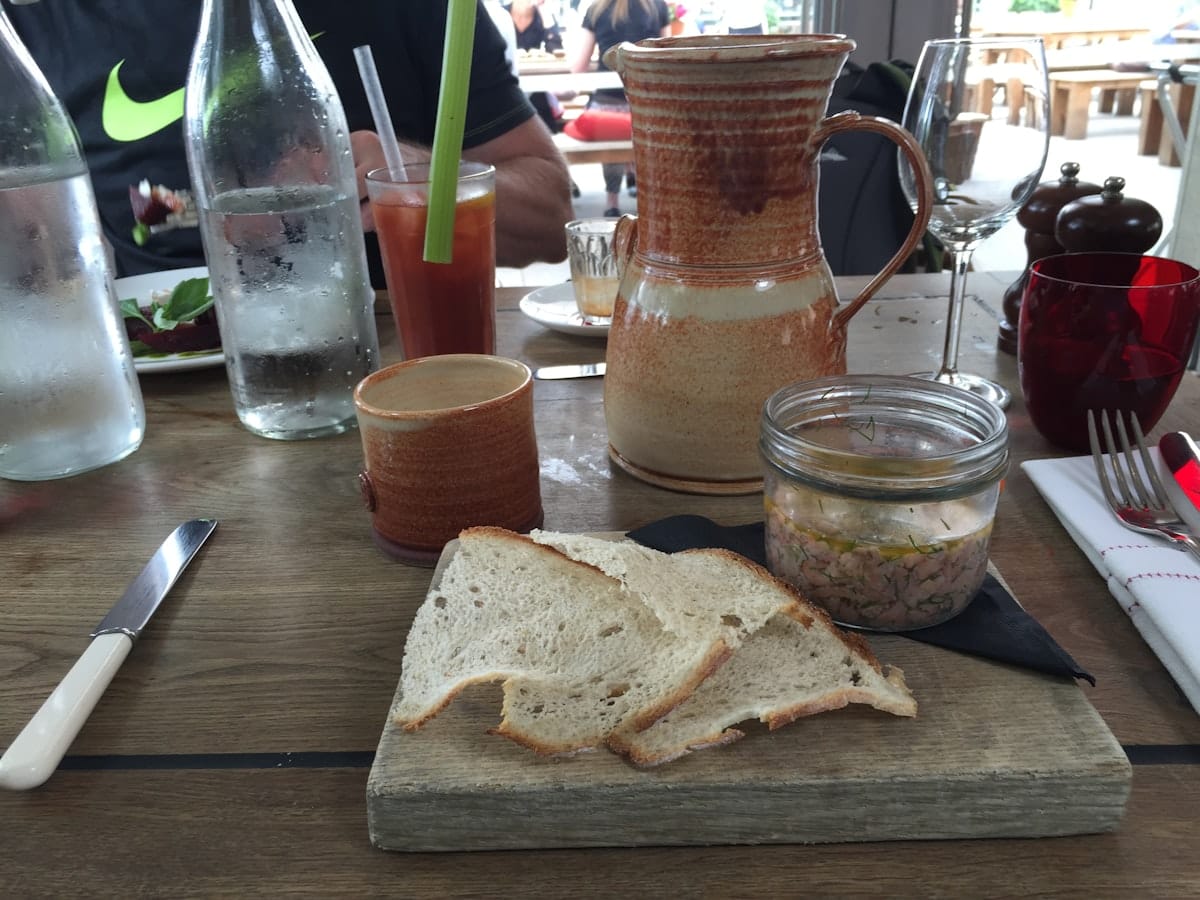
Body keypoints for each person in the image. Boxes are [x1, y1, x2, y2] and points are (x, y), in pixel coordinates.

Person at [3, 0, 573, 286]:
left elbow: (551, 218)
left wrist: (418, 177)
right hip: (151, 389)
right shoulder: (32, 20)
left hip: (398, 358)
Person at [567, 0, 671, 217]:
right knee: (642, 129)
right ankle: (647, 195)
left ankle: (611, 201)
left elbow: (578, 66)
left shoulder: (596, 10)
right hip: (645, 103)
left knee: (608, 124)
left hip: (606, 104)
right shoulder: (657, 6)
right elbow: (667, 56)